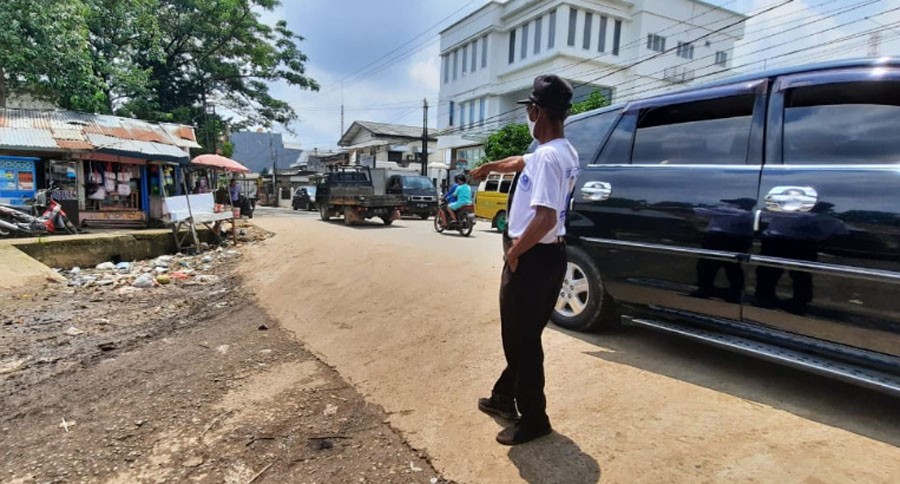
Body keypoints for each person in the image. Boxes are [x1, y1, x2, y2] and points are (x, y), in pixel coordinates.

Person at [469, 74, 579, 446]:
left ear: (535, 111)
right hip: (551, 255)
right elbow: (521, 161)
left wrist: (514, 254)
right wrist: (490, 168)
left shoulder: (548, 157)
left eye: (530, 110)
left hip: (531, 257)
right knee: (525, 336)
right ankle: (503, 396)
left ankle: (535, 419)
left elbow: (544, 217)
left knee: (521, 341)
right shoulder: (562, 150)